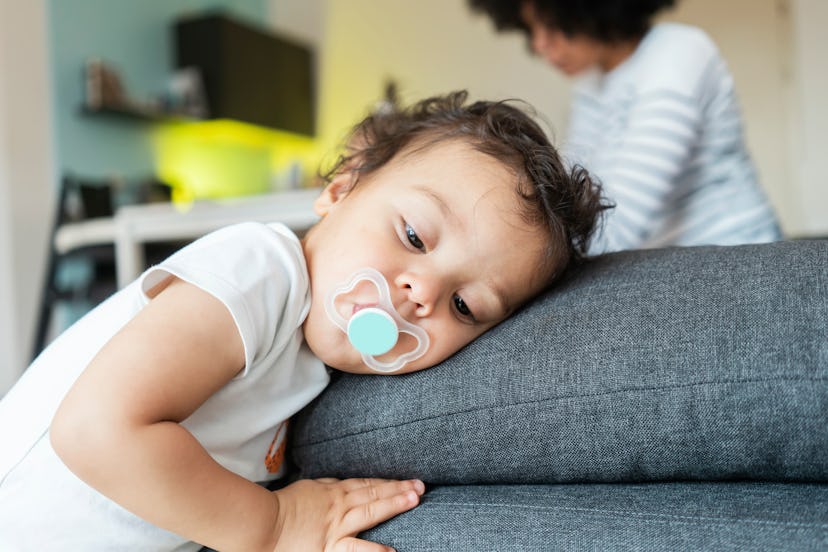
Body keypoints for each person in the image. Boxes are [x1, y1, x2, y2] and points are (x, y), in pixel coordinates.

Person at [0, 90, 606, 551]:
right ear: (342, 189)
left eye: (465, 306)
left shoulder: (312, 360)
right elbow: (94, 430)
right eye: (415, 234)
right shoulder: (261, 268)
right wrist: (275, 525)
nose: (421, 292)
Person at [469, 0, 782, 253]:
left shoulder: (678, 54)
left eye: (552, 24)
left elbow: (619, 226)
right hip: (663, 262)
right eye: (531, 27)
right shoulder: (591, 80)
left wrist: (518, 252)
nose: (540, 44)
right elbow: (578, 194)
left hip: (737, 255)